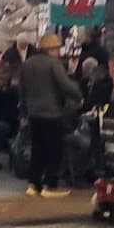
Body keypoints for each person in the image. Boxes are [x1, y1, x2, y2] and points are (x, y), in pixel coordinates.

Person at [18, 32, 81, 197]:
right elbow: (65, 85)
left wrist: (24, 114)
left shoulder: (27, 64)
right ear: (52, 49)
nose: (59, 52)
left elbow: (22, 91)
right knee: (54, 150)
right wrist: (78, 95)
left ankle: (33, 184)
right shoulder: (53, 64)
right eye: (57, 48)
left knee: (38, 149)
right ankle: (50, 185)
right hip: (51, 113)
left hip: (33, 114)